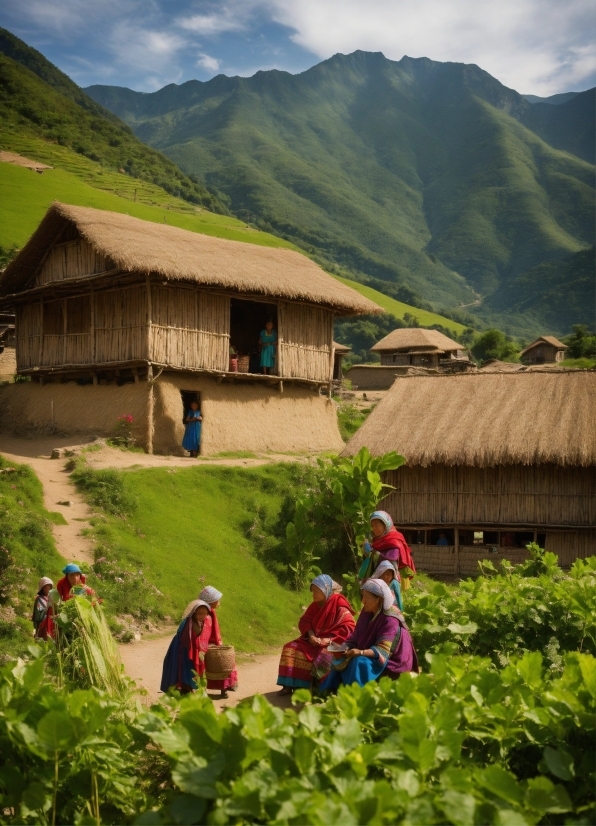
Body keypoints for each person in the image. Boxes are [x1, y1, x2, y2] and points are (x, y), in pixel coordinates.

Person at [320, 579, 418, 692]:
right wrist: (345, 646)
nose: (363, 601)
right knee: (340, 658)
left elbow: (383, 650)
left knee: (359, 662)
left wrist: (360, 652)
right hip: (372, 652)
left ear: (379, 599)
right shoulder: (366, 611)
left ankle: (355, 696)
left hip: (393, 660)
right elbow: (356, 635)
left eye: (367, 597)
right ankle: (331, 691)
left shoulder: (390, 619)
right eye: (363, 596)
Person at [277, 574, 355, 695]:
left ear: (326, 591)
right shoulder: (315, 605)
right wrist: (311, 635)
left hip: (332, 643)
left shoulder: (340, 606)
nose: (313, 594)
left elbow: (349, 627)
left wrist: (327, 641)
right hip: (313, 641)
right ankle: (289, 685)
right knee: (290, 648)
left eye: (316, 591)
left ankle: (320, 690)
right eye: (313, 591)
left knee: (323, 657)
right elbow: (304, 621)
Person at [160, 599, 212, 694]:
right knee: (184, 666)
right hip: (182, 647)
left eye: (204, 614)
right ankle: (184, 687)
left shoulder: (202, 622)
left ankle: (187, 687)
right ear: (194, 613)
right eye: (199, 614)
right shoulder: (189, 622)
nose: (202, 616)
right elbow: (188, 635)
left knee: (190, 668)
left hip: (190, 648)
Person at [198, 585, 238, 698]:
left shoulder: (210, 612)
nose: (219, 602)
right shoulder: (205, 614)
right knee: (213, 666)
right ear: (210, 601)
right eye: (217, 600)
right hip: (205, 645)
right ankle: (215, 689)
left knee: (219, 665)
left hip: (209, 644)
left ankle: (223, 688)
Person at [359, 511, 417, 586]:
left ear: (385, 525)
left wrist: (371, 552)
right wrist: (367, 551)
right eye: (372, 526)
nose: (374, 529)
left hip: (388, 581)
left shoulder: (394, 540)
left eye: (376, 526)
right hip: (375, 580)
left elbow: (391, 560)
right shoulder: (376, 540)